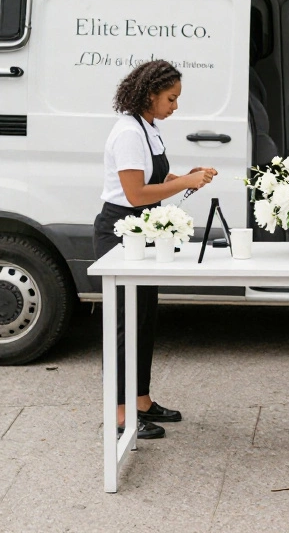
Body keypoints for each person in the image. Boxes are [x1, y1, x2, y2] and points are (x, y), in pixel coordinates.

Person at [93, 60, 217, 440]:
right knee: (123, 325)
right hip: (120, 232)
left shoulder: (149, 128)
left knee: (144, 318)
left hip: (142, 230)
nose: (175, 106)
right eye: (171, 98)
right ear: (149, 94)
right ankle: (119, 413)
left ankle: (142, 400)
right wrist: (185, 184)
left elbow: (155, 178)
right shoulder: (129, 133)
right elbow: (135, 194)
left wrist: (185, 177)